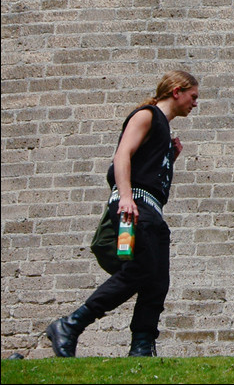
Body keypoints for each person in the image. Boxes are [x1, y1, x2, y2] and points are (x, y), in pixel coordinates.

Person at [45, 70, 198, 358]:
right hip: (135, 206)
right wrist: (126, 198)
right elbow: (122, 155)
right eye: (193, 96)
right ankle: (71, 324)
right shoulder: (146, 115)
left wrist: (168, 156)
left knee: (157, 281)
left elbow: (144, 164)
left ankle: (141, 346)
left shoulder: (164, 131)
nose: (195, 103)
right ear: (177, 91)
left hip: (153, 211)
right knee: (140, 270)